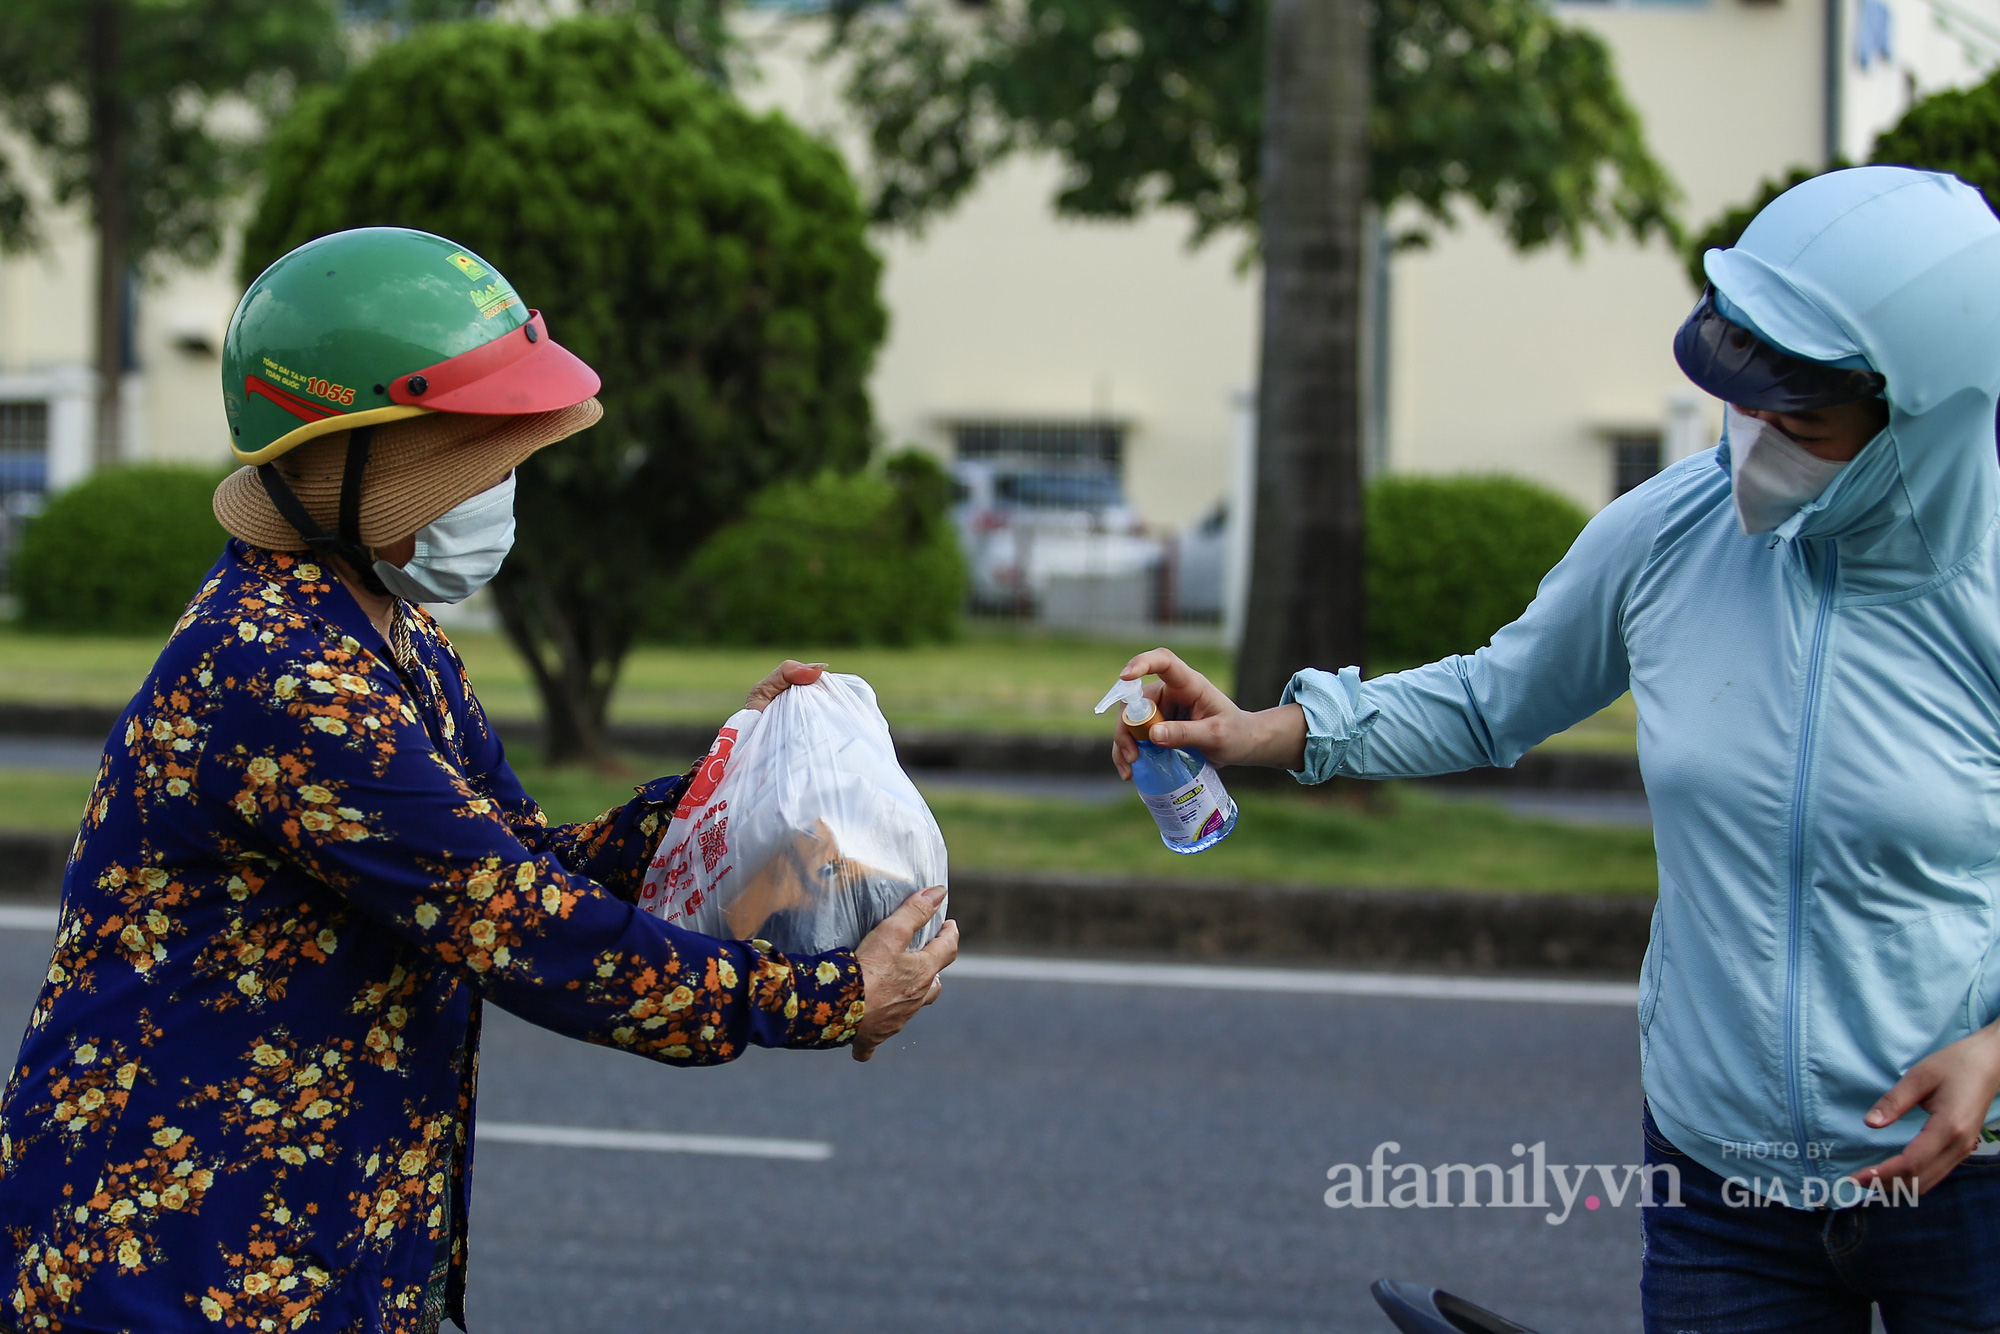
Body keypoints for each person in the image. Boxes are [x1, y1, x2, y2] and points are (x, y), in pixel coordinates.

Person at [0, 227, 958, 1334]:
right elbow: (519, 926)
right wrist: (821, 997)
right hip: (176, 1260)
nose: (500, 491)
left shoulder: (389, 632)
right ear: (346, 455)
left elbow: (515, 855)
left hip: (316, 1240)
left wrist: (732, 784)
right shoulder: (277, 674)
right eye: (478, 459)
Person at [1112, 167, 2000, 1332]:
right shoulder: (1668, 533)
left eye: (1803, 418)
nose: (1756, 441)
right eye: (1746, 400)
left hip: (1967, 1184)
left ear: (1924, 412)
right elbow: (1490, 698)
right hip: (1718, 1171)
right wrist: (1266, 729)